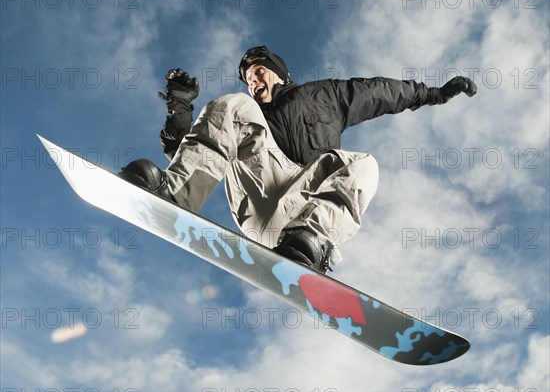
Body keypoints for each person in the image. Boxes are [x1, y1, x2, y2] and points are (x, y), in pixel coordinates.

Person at [119, 46, 476, 273]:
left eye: (259, 71)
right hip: (260, 197)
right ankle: (174, 194)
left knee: (363, 164)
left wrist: (435, 94)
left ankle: (309, 241)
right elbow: (190, 146)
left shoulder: (326, 96)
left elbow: (380, 93)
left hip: (304, 207)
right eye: (247, 78)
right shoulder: (247, 114)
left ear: (279, 72)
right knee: (231, 106)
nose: (253, 81)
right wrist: (180, 106)